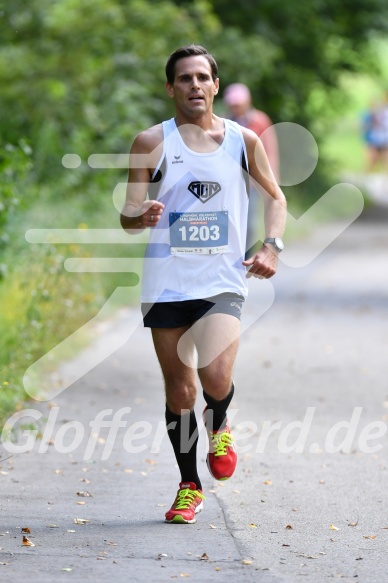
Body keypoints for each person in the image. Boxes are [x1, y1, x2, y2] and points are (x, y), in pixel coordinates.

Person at [120, 45, 287, 524]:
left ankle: (221, 424)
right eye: (184, 78)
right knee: (180, 392)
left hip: (222, 279)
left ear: (216, 85)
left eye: (202, 77)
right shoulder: (150, 141)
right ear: (170, 88)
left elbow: (276, 197)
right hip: (166, 282)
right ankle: (189, 485)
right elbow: (129, 212)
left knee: (214, 379)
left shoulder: (242, 140)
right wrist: (139, 213)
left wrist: (272, 247)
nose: (195, 85)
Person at [223, 83, 279, 255]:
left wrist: (271, 180)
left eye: (238, 104)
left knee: (249, 223)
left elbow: (270, 150)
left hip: (252, 181)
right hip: (229, 181)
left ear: (247, 102)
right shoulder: (223, 122)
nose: (236, 108)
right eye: (233, 105)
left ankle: (245, 257)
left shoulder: (260, 120)